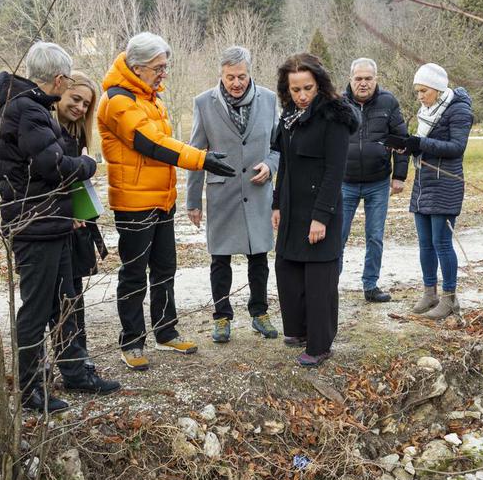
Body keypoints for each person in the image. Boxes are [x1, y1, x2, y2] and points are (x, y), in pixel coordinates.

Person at [0, 41, 120, 413]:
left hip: (53, 222)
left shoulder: (34, 107)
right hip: (35, 226)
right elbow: (54, 164)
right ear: (59, 79)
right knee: (36, 308)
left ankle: (75, 371)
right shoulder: (25, 109)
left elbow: (58, 153)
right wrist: (88, 166)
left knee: (66, 301)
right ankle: (30, 389)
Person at [98, 32, 236, 371]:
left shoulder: (150, 98)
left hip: (161, 198)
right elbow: (151, 142)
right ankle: (131, 342)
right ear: (138, 67)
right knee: (133, 274)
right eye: (159, 68)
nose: (164, 73)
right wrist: (200, 159)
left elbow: (163, 142)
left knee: (164, 268)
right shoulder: (117, 101)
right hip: (134, 202)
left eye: (165, 67)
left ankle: (165, 330)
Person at [186, 46, 280, 344]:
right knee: (220, 259)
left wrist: (270, 164)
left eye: (241, 76)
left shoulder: (268, 99)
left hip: (257, 189)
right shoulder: (204, 103)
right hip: (221, 193)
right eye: (230, 77)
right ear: (221, 75)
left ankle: (259, 312)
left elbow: (278, 146)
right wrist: (192, 201)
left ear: (249, 73)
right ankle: (222, 317)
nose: (236, 83)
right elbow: (195, 153)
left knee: (259, 257)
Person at [271, 53, 358, 367]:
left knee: (319, 281)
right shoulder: (289, 117)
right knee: (288, 270)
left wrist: (321, 217)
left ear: (319, 84)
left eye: (307, 88)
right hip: (292, 208)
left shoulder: (334, 118)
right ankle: (299, 330)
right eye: (295, 90)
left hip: (322, 209)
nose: (302, 95)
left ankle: (321, 344)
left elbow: (335, 173)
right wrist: (277, 203)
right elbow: (286, 166)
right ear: (287, 89)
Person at [389, 63, 472, 320]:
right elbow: (426, 145)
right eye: (417, 92)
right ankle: (429, 293)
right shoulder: (428, 111)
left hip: (446, 183)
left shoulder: (458, 110)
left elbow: (457, 147)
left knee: (442, 243)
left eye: (424, 91)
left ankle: (449, 299)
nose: (420, 96)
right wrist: (410, 147)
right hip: (424, 182)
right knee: (425, 243)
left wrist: (420, 143)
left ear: (437, 88)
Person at [340, 58, 408, 303]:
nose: (363, 83)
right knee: (339, 235)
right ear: (351, 80)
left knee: (375, 235)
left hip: (378, 182)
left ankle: (371, 285)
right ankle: (329, 283)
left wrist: (399, 175)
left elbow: (401, 140)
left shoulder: (388, 102)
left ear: (376, 79)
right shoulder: (338, 104)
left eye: (368, 78)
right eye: (358, 79)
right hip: (344, 182)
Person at [55, 70, 108, 365]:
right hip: (55, 223)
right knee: (58, 296)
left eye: (86, 104)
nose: (80, 108)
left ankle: (79, 355)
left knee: (75, 294)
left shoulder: (78, 135)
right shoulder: (48, 132)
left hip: (79, 225)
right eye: (76, 99)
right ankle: (67, 358)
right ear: (60, 90)